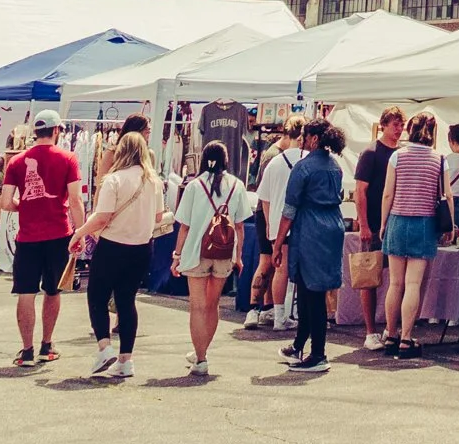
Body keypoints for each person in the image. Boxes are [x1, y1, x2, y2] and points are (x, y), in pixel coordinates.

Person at [75, 128, 161, 380]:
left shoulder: (113, 180)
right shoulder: (154, 181)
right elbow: (158, 217)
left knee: (97, 298)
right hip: (142, 248)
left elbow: (102, 217)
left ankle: (104, 346)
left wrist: (79, 232)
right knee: (127, 301)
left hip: (113, 245)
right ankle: (126, 359)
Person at [0, 113, 84, 368]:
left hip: (27, 236)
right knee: (52, 289)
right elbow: (76, 200)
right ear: (57, 130)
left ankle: (26, 350)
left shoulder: (16, 161)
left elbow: (5, 202)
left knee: (25, 292)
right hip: (58, 233)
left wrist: (24, 206)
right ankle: (47, 346)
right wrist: (80, 233)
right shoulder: (68, 158)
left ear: (35, 132)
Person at [171, 142, 256, 376]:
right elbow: (240, 227)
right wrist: (238, 256)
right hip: (224, 252)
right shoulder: (237, 185)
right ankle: (202, 352)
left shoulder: (194, 186)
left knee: (197, 307)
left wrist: (177, 256)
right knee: (212, 304)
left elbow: (184, 228)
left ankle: (200, 357)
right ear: (226, 160)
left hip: (196, 252)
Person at [281, 119, 348, 372]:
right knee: (311, 289)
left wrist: (277, 243)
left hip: (310, 229)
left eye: (305, 136)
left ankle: (318, 353)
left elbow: (289, 209)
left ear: (314, 139)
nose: (302, 140)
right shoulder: (336, 166)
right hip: (333, 226)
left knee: (312, 293)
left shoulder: (304, 167)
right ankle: (300, 344)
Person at [380, 113, 445, 357]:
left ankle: (390, 334)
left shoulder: (397, 156)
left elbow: (388, 193)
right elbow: (446, 194)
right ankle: (407, 338)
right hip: (424, 224)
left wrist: (384, 223)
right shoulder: (439, 159)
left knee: (395, 283)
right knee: (413, 284)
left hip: (397, 220)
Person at [350, 108, 403, 350]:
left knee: (398, 278)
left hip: (397, 222)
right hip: (373, 223)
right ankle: (370, 332)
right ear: (383, 125)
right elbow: (360, 191)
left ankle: (392, 328)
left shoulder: (402, 153)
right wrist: (364, 224)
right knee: (369, 277)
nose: (398, 129)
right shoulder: (371, 153)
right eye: (394, 124)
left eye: (401, 124)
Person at [247, 122, 299, 334]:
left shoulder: (276, 156)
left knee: (272, 263)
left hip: (270, 216)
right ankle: (255, 308)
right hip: (271, 215)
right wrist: (269, 223)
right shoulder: (273, 155)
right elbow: (265, 194)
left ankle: (266, 308)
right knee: (270, 262)